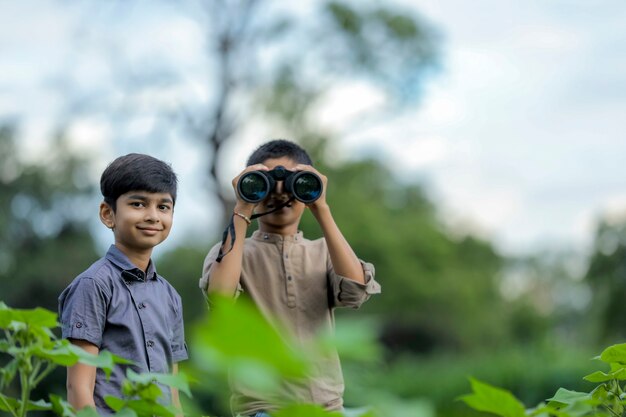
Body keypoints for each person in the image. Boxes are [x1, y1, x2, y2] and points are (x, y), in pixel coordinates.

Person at [199, 139, 381, 416]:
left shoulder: (323, 250)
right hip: (263, 408)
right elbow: (221, 300)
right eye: (268, 184)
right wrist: (243, 207)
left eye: (294, 182)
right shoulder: (235, 253)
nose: (280, 193)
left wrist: (321, 207)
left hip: (328, 407)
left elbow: (355, 290)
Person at [58, 153, 188, 414]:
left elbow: (173, 392)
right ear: (108, 214)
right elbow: (78, 389)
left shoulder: (171, 296)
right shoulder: (93, 285)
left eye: (163, 207)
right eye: (138, 204)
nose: (153, 216)